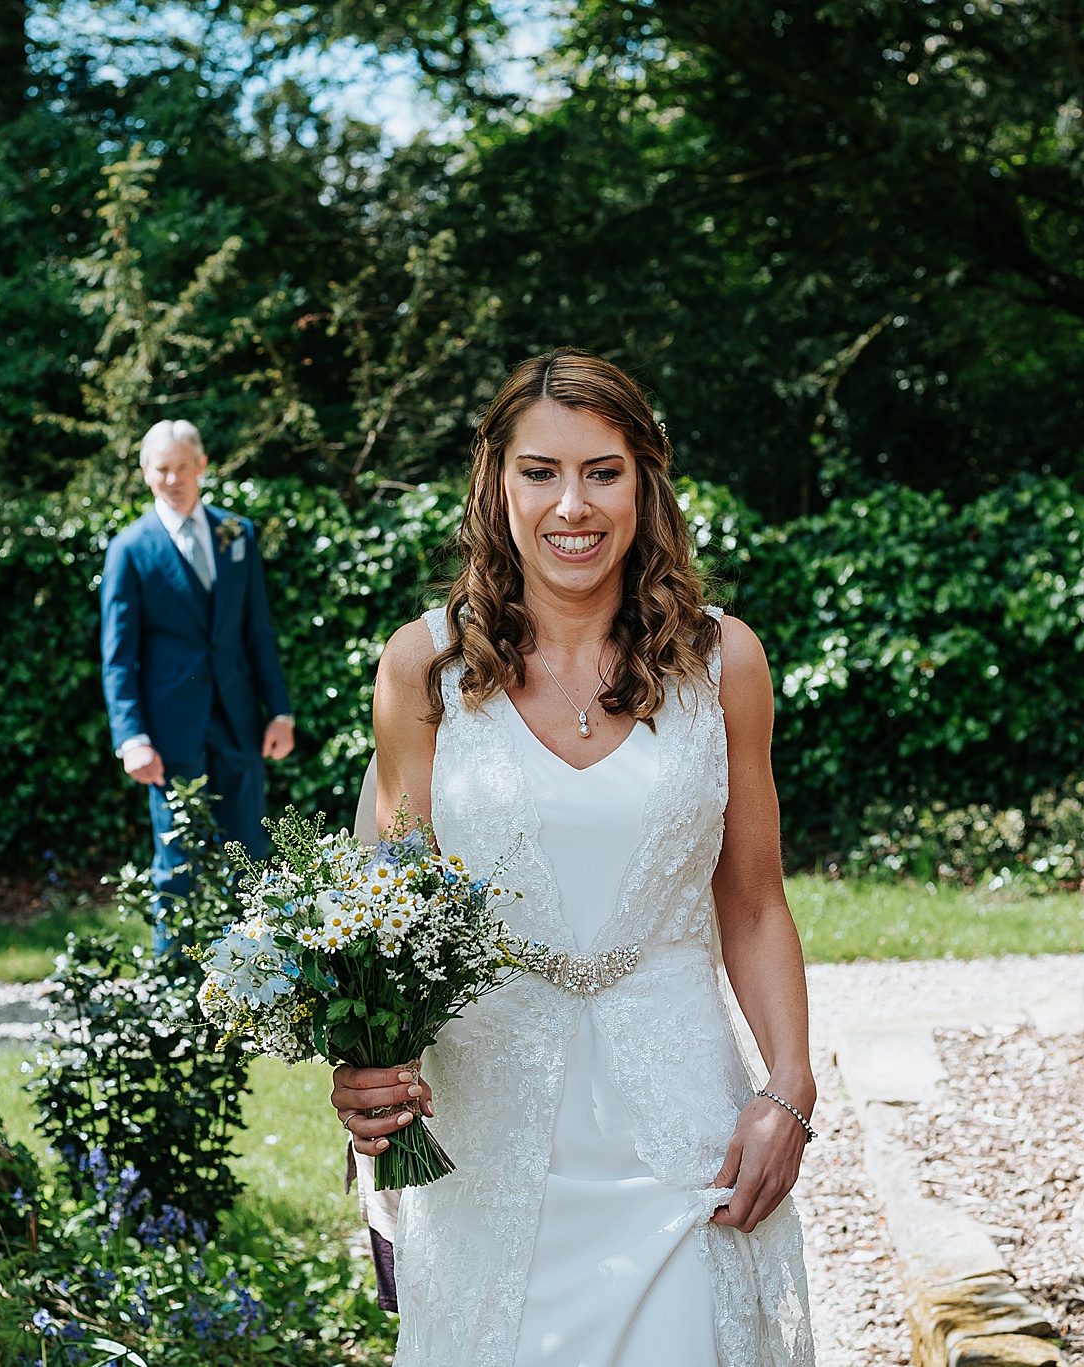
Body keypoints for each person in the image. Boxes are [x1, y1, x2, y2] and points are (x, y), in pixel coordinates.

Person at [332, 351, 817, 1366]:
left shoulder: (724, 662)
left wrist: (785, 1088)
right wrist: (366, 1060)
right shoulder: (419, 667)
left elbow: (754, 900)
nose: (572, 505)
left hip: (686, 1133)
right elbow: (382, 920)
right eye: (539, 471)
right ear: (495, 483)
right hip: (484, 1141)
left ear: (644, 479)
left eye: (602, 470)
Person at [100, 421, 296, 906]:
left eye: (181, 467)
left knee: (251, 858)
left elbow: (258, 631)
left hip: (238, 722)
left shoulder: (237, 534)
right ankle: (173, 981)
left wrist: (280, 711)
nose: (172, 479)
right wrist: (131, 738)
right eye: (161, 469)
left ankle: (252, 977)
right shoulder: (129, 549)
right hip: (169, 734)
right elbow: (118, 657)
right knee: (177, 866)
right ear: (146, 473)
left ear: (201, 466)